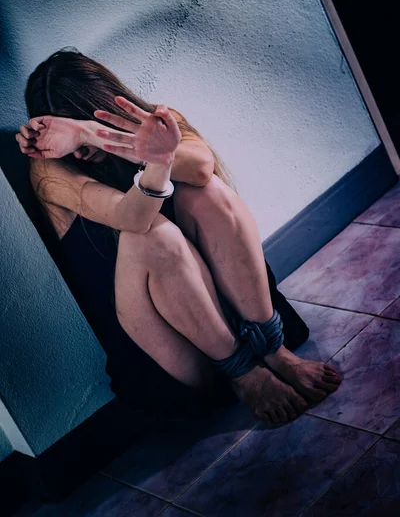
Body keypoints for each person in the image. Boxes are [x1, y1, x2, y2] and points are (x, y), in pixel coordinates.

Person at [16, 47, 341, 425]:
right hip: (167, 346)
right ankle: (245, 376)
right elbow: (132, 216)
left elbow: (201, 168)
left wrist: (118, 141)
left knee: (208, 190)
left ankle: (274, 350)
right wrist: (113, 144)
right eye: (71, 135)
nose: (83, 149)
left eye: (85, 125)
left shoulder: (158, 123)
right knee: (150, 235)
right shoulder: (49, 171)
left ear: (106, 108)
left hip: (241, 318)